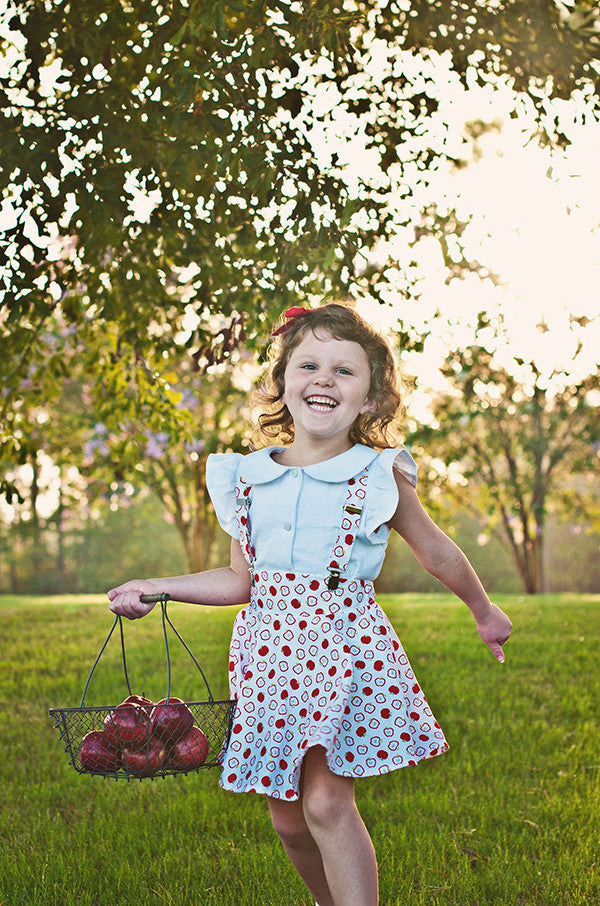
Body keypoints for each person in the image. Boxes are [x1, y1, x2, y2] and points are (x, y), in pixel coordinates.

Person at [108, 303, 512, 906]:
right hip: (269, 660)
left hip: (342, 650)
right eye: (310, 365)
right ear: (283, 383)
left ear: (372, 398)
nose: (324, 380)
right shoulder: (246, 479)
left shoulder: (377, 475)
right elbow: (237, 579)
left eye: (344, 371)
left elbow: (439, 553)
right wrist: (156, 587)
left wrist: (485, 612)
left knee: (326, 802)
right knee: (290, 821)